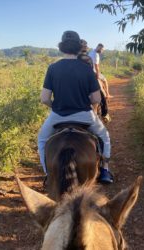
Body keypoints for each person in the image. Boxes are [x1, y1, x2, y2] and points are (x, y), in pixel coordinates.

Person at [37, 31, 114, 184]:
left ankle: (48, 174)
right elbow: (96, 98)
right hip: (85, 115)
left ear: (62, 47)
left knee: (42, 140)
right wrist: (92, 110)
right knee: (104, 137)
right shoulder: (87, 69)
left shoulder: (53, 68)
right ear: (79, 47)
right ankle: (105, 170)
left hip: (58, 116)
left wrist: (56, 107)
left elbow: (44, 98)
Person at [88, 43, 112, 123]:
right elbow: (97, 66)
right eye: (101, 49)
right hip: (94, 73)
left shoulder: (90, 52)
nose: (102, 51)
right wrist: (97, 76)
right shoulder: (96, 55)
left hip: (86, 73)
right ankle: (105, 113)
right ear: (99, 47)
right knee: (104, 83)